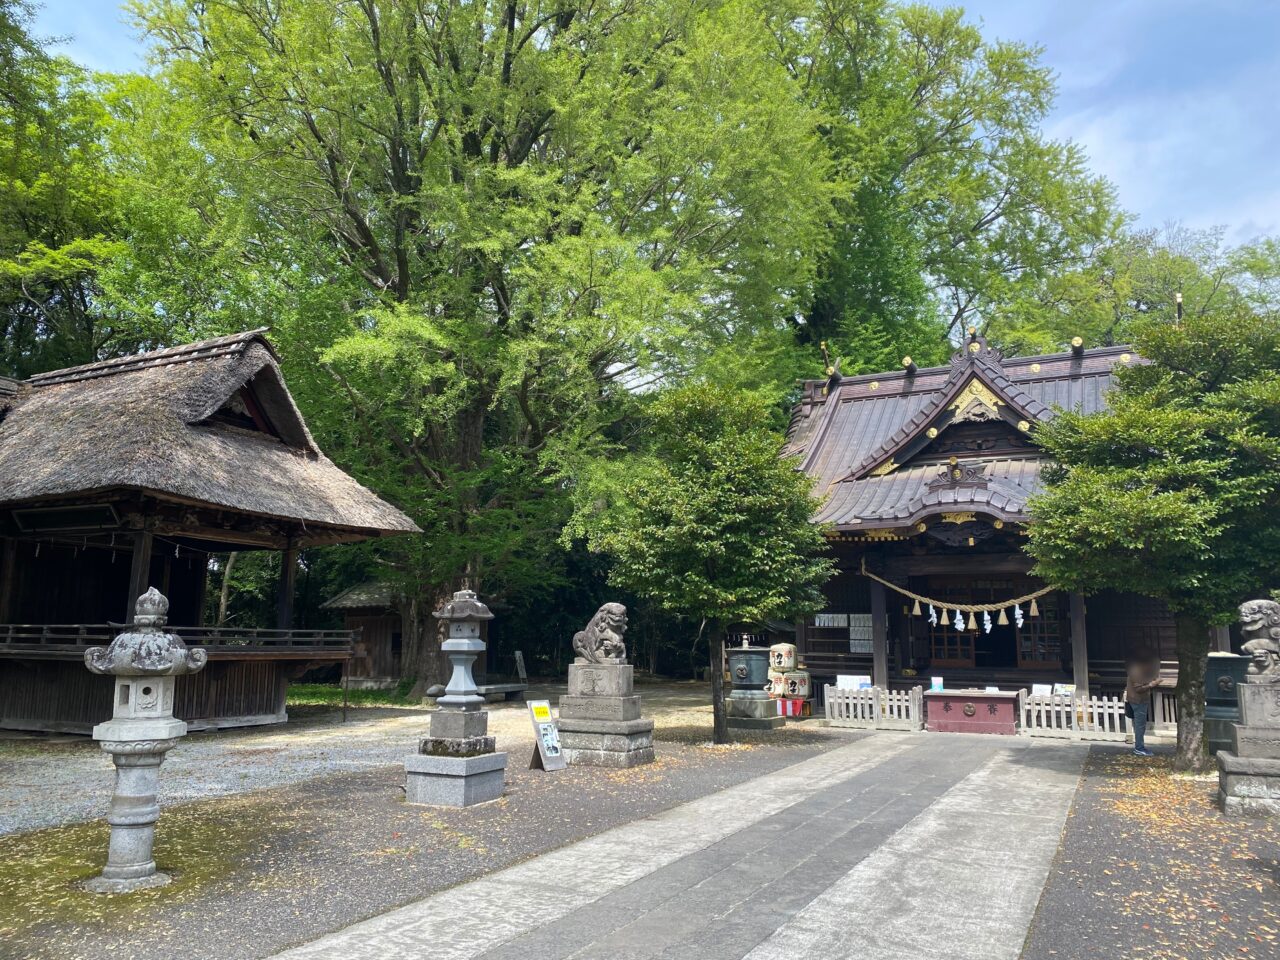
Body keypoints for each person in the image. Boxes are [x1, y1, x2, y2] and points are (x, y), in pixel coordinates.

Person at [1125, 646, 1161, 756]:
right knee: (1140, 725)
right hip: (1138, 700)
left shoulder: (1138, 669)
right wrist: (1152, 684)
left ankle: (1140, 746)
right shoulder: (1136, 671)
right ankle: (1139, 748)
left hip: (1137, 700)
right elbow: (1139, 688)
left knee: (1139, 725)